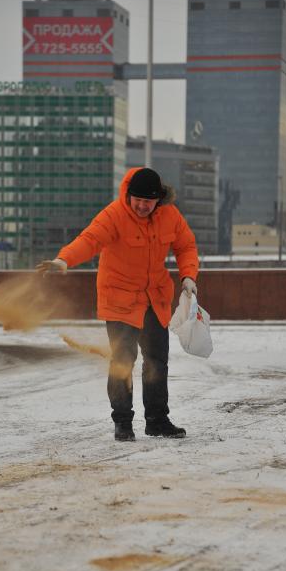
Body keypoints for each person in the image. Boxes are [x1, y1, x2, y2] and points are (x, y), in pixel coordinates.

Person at [36, 167, 199, 441]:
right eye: (137, 199)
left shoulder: (170, 215)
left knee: (157, 361)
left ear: (159, 199)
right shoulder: (114, 214)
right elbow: (89, 239)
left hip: (153, 298)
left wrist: (188, 276)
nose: (142, 206)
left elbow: (186, 246)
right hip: (120, 297)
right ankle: (123, 422)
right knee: (123, 360)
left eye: (148, 201)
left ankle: (157, 420)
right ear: (129, 194)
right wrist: (64, 260)